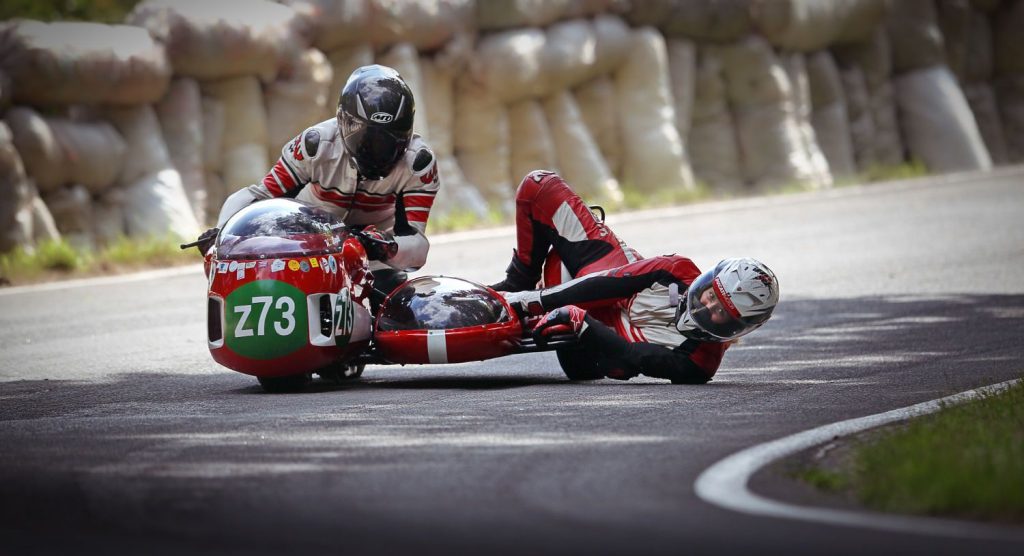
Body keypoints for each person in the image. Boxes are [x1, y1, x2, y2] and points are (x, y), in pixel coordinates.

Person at [492, 170, 779, 384]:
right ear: (708, 281)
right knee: (539, 185)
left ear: (738, 328)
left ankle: (546, 309)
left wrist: (578, 320)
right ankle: (520, 281)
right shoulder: (677, 269)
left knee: (616, 364)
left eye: (721, 313)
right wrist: (530, 300)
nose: (708, 307)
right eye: (712, 295)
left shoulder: (699, 364)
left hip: (592, 348)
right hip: (607, 280)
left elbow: (631, 356)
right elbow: (611, 281)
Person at [198, 64, 440, 294]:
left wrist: (386, 246)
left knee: (392, 315)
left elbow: (417, 247)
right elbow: (259, 196)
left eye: (389, 140)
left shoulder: (418, 165)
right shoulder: (315, 145)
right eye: (367, 138)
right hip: (306, 252)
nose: (377, 150)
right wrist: (222, 234)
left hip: (374, 260)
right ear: (343, 122)